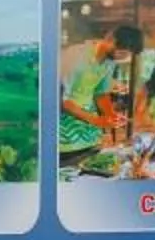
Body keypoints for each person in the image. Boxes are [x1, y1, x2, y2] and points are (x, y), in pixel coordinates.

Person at [58, 23, 139, 172]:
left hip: (90, 135)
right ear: (110, 39)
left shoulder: (109, 63)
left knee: (91, 170)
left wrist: (111, 115)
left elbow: (101, 93)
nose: (124, 58)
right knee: (68, 171)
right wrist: (96, 120)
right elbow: (61, 100)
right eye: (123, 52)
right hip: (65, 132)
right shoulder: (76, 55)